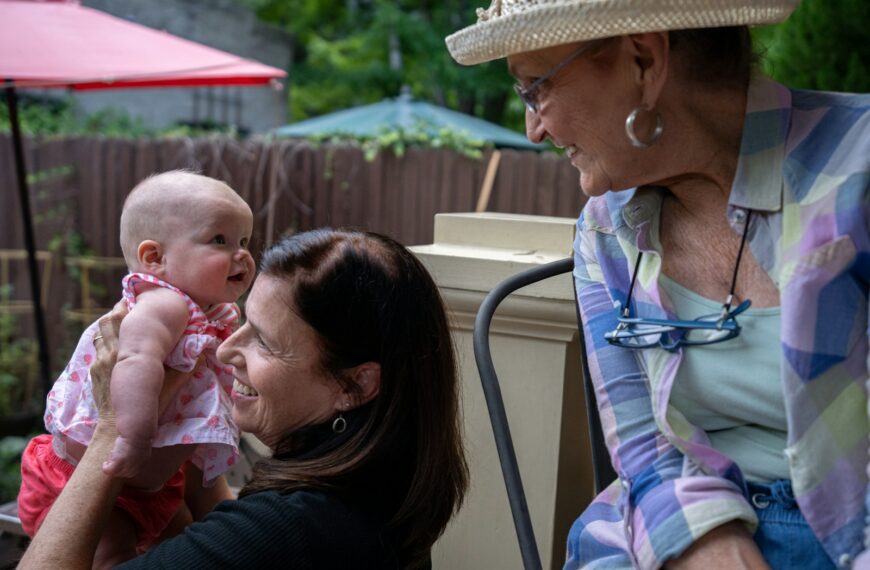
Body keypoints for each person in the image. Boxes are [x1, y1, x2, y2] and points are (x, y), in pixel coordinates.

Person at [447, 1, 868, 568]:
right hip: (680, 527)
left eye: (534, 89)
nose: (534, 128)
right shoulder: (606, 226)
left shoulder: (856, 170)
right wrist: (708, 544)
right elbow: (643, 447)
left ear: (644, 62)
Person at [20, 228, 469, 570]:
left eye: (265, 342)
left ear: (354, 385)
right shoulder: (383, 486)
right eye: (242, 321)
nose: (226, 349)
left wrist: (111, 431)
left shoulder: (287, 528)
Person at [18, 171, 256, 565]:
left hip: (154, 485)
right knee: (113, 554)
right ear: (154, 258)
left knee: (186, 544)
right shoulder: (163, 305)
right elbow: (134, 362)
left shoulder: (211, 312)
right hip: (90, 475)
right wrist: (130, 437)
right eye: (220, 240)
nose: (242, 254)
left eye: (244, 241)